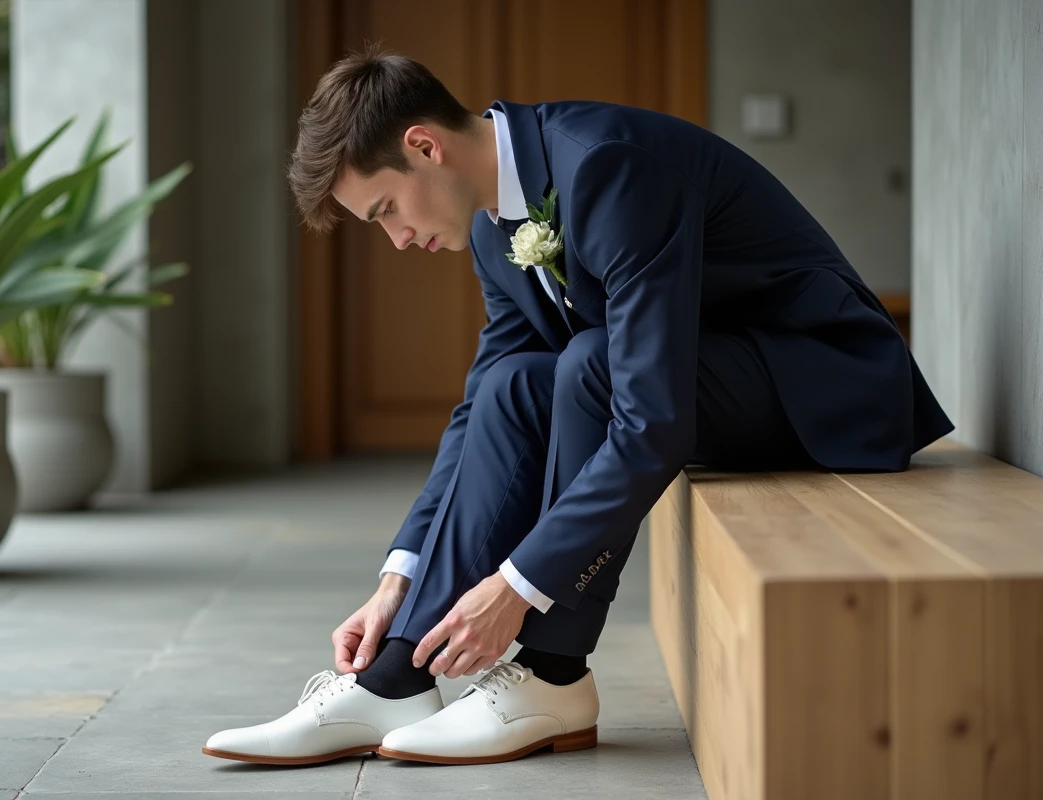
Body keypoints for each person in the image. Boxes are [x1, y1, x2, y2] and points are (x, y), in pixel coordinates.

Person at [202, 45, 953, 767]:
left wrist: (519, 585)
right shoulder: (496, 232)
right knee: (514, 382)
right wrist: (399, 581)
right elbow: (479, 412)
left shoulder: (605, 165)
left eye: (385, 210)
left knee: (590, 363)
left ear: (425, 147)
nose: (397, 239)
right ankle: (395, 678)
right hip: (722, 380)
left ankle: (554, 673)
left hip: (828, 383)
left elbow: (652, 420)